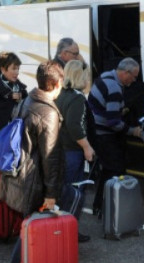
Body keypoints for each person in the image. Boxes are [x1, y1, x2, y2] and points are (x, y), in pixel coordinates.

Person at [0, 60, 65, 263]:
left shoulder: (28, 100)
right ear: (56, 84)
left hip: (19, 175)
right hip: (33, 181)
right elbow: (50, 157)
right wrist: (51, 193)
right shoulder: (49, 113)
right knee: (32, 227)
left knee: (29, 227)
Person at [87, 57, 142, 216]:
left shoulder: (106, 77)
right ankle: (109, 209)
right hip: (103, 134)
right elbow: (113, 122)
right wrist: (133, 131)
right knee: (116, 170)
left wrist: (119, 109)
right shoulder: (114, 87)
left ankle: (100, 206)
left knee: (108, 170)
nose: (134, 80)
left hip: (95, 131)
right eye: (134, 76)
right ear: (126, 73)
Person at [55, 59, 94, 243]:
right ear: (81, 77)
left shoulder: (62, 94)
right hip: (73, 152)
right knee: (75, 191)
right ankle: (69, 230)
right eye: (86, 77)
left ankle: (61, 228)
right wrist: (87, 147)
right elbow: (75, 126)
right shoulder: (78, 98)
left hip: (61, 150)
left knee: (64, 192)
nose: (88, 80)